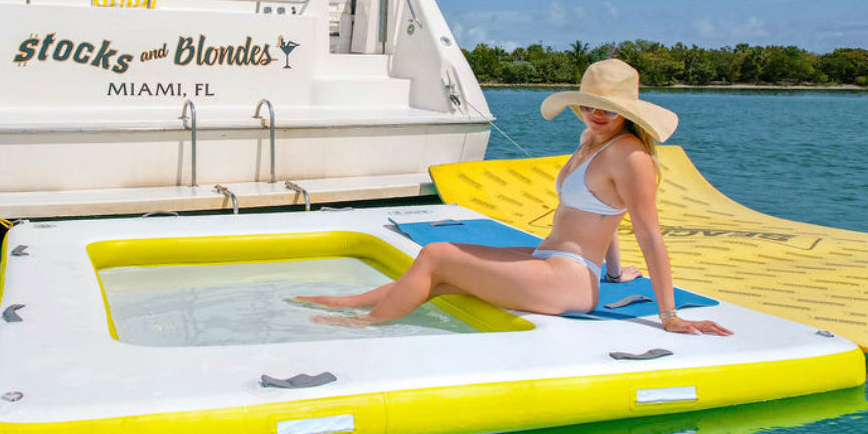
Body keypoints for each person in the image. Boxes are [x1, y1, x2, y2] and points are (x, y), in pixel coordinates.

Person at [298, 58, 732, 336]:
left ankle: (363, 325)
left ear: (628, 113)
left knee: (436, 254)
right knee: (442, 277)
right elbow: (607, 214)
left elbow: (648, 232)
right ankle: (357, 302)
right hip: (551, 262)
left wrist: (669, 314)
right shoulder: (591, 140)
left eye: (608, 108)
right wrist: (615, 275)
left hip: (570, 282)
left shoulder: (631, 156)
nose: (597, 114)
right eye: (589, 104)